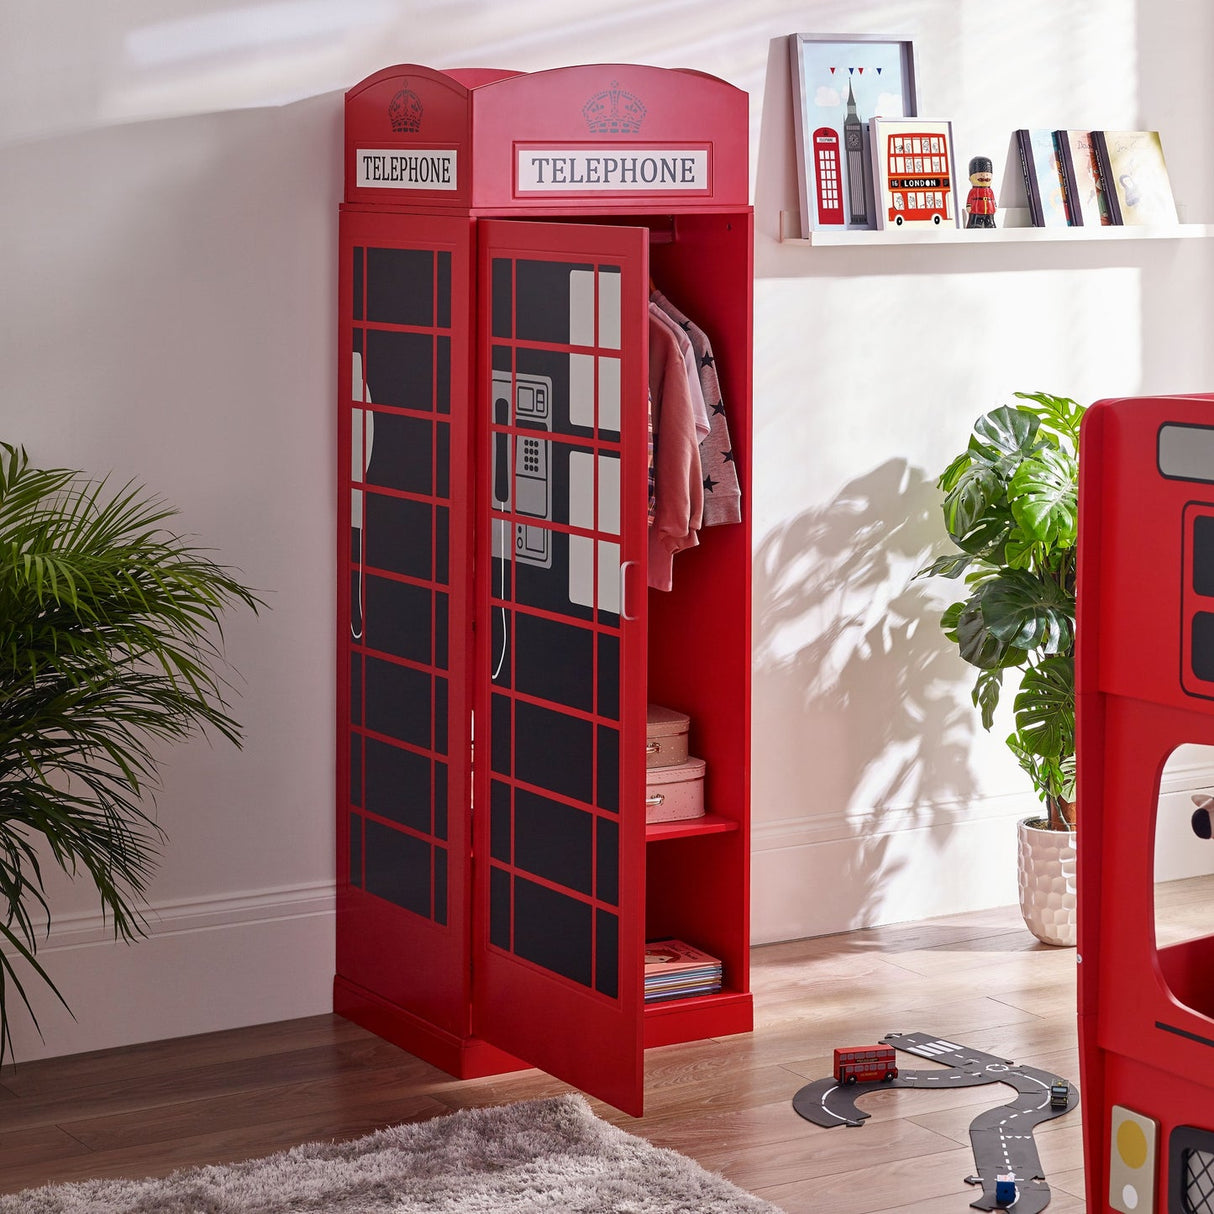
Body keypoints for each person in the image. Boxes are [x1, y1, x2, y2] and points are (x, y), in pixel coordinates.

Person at [965, 155, 997, 228]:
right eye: (981, 179)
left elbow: (993, 198)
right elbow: (969, 199)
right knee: (975, 224)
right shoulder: (973, 191)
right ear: (971, 178)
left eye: (987, 178)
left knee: (991, 224)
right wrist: (969, 206)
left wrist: (994, 206)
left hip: (989, 210)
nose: (985, 178)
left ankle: (990, 225)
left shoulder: (990, 191)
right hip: (976, 210)